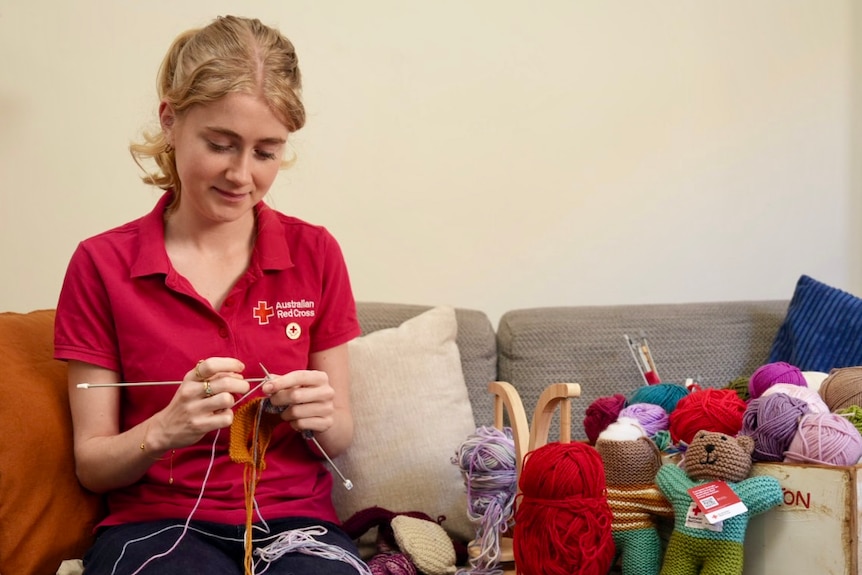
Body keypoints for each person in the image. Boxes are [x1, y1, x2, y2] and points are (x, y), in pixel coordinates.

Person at [54, 15, 365, 575]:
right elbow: (92, 466)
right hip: (157, 527)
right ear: (170, 121)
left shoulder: (315, 252)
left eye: (266, 152)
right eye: (221, 144)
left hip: (295, 525)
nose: (241, 174)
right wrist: (163, 430)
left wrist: (319, 417)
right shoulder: (101, 264)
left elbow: (339, 433)